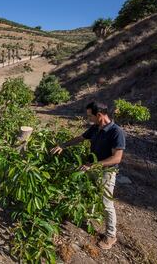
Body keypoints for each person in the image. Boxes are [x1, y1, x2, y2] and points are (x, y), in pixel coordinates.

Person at [50, 101, 126, 250]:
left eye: (90, 116)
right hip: (90, 167)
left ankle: (111, 235)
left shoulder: (116, 132)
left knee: (106, 203)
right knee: (86, 192)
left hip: (106, 172)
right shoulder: (96, 128)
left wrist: (93, 165)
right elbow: (80, 138)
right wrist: (63, 145)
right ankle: (84, 215)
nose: (88, 118)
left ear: (99, 115)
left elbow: (116, 158)